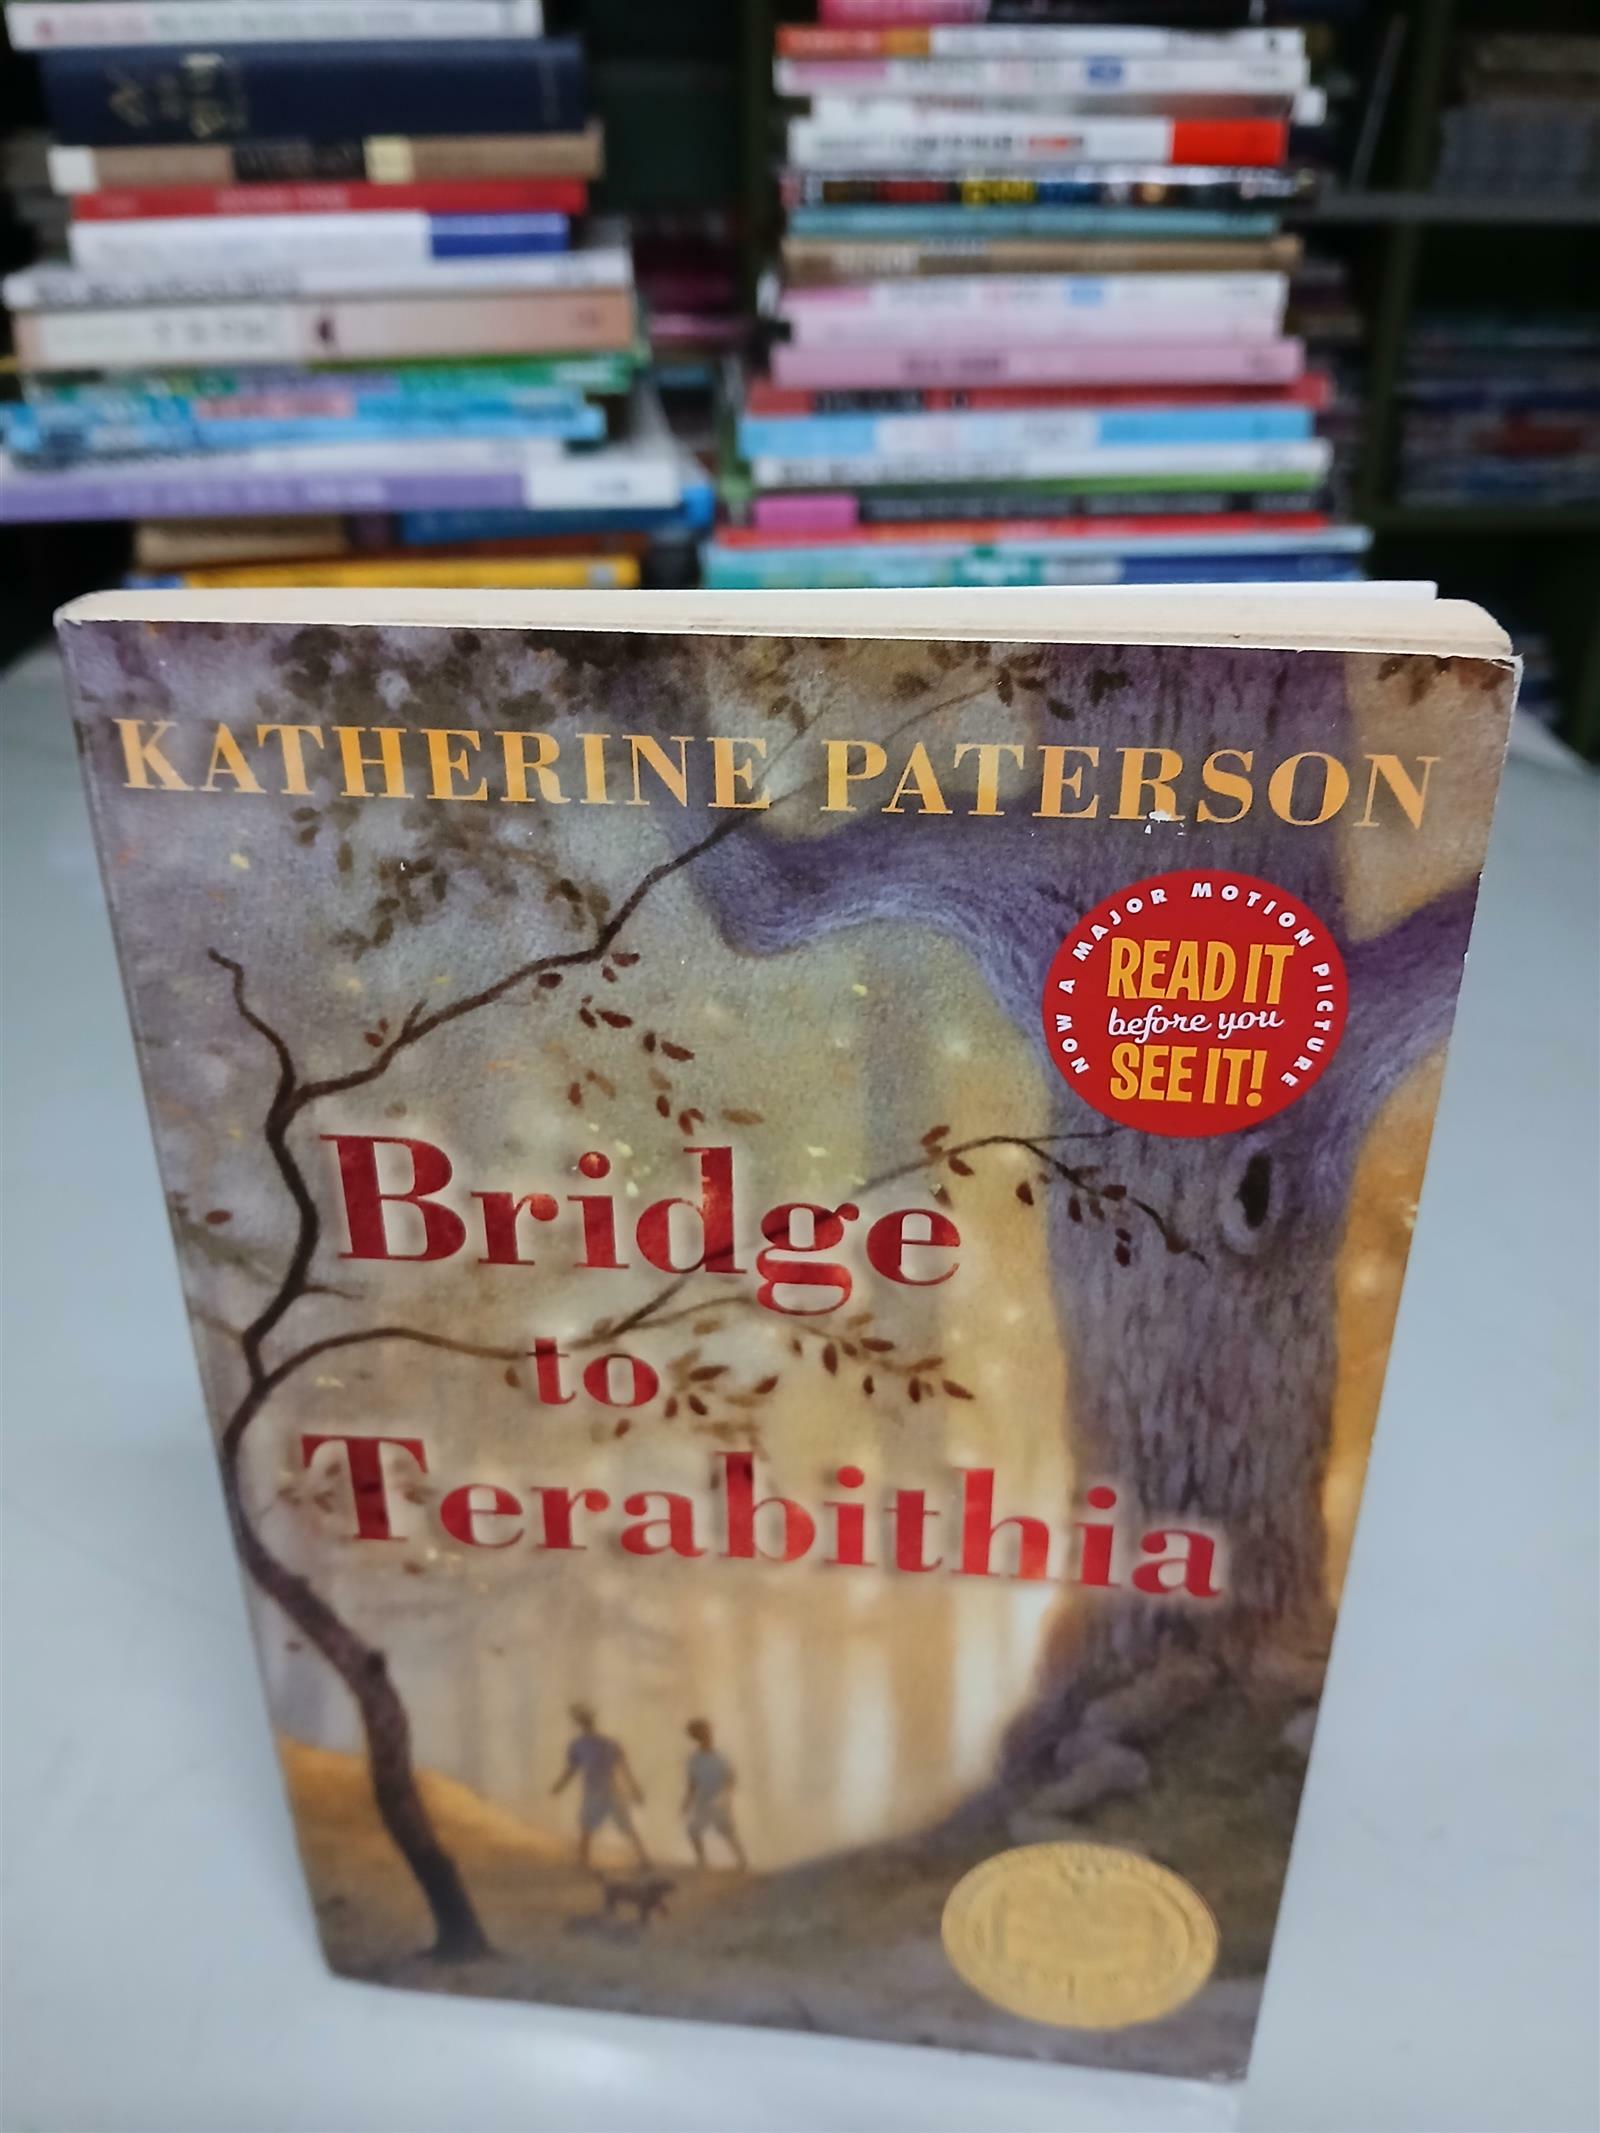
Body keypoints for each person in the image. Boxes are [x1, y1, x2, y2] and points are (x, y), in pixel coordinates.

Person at [551, 1703, 650, 1869]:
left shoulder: (606, 1743)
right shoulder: (580, 1745)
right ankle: (583, 1861)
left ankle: (643, 1859)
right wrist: (560, 1785)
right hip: (596, 1791)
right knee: (588, 1826)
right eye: (583, 1720)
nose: (586, 1723)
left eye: (586, 1720)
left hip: (609, 1791)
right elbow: (572, 1769)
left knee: (622, 1825)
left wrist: (635, 1789)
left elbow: (623, 1767)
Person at [681, 1717, 747, 1870]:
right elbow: (692, 1784)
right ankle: (702, 1862)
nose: (706, 1737)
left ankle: (742, 1862)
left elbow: (731, 1777)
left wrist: (726, 1796)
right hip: (703, 1801)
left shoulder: (721, 1755)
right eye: (701, 1734)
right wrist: (686, 1803)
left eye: (707, 1733)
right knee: (693, 1830)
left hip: (720, 1800)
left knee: (728, 1832)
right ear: (696, 1738)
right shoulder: (694, 1759)